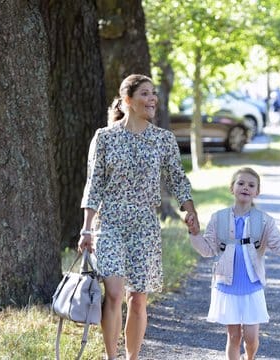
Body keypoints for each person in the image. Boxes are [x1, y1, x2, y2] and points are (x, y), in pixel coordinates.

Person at [78, 74, 200, 360]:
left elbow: (177, 178)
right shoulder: (105, 137)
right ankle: (111, 357)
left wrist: (190, 209)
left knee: (138, 298)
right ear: (128, 101)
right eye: (145, 94)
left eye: (154, 94)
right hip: (108, 222)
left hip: (144, 225)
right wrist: (86, 229)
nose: (152, 99)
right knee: (115, 293)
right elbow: (93, 183)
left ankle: (132, 357)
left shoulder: (162, 139)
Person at [189, 167, 280, 360]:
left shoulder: (263, 221)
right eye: (241, 183)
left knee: (251, 338)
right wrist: (194, 234)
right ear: (232, 188)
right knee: (234, 336)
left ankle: (249, 357)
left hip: (252, 286)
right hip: (227, 285)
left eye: (251, 185)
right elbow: (207, 249)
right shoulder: (218, 218)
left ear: (257, 192)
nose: (246, 187)